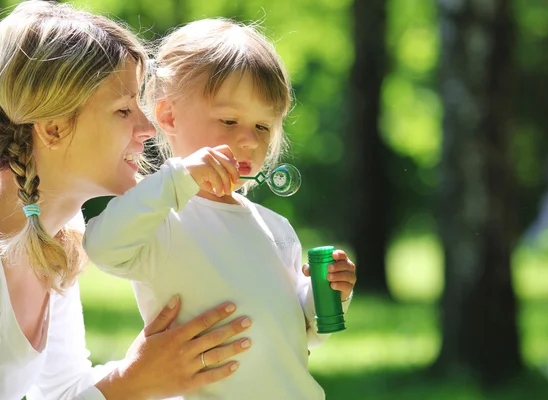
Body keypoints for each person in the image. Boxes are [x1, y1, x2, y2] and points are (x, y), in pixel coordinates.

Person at [82, 18, 358, 400]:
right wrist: (178, 178)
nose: (247, 140)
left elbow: (303, 332)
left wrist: (325, 295)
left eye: (263, 127)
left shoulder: (274, 227)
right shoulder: (161, 213)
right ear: (169, 117)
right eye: (229, 120)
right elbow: (103, 247)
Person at [0, 2, 253, 399]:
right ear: (52, 129)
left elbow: (65, 389)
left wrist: (164, 365)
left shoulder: (61, 235)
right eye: (123, 110)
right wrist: (134, 380)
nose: (147, 128)